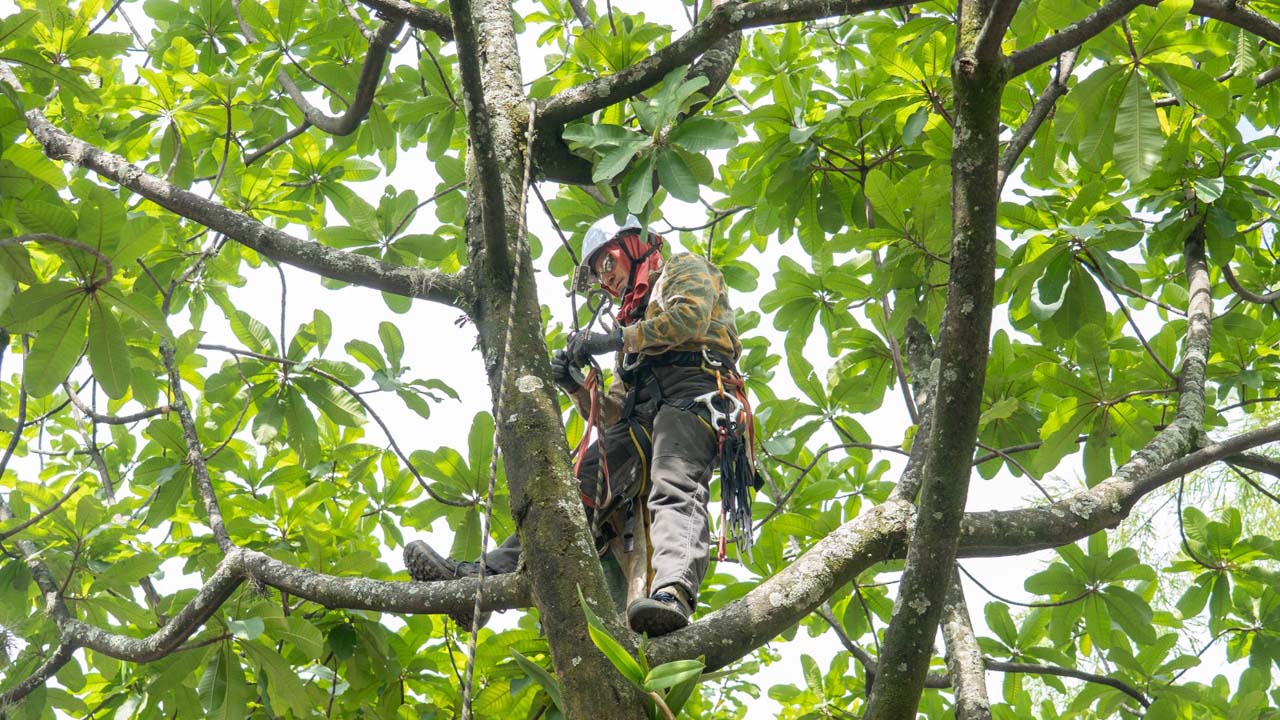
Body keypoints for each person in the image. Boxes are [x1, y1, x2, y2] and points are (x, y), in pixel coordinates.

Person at [405, 214, 742, 637]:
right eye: (599, 276)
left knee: (673, 482)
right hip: (645, 419)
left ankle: (672, 594)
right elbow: (612, 411)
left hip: (694, 397)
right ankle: (486, 577)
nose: (607, 281)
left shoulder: (682, 269)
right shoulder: (631, 325)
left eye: (607, 265)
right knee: (575, 483)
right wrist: (574, 385)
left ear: (634, 247)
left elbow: (687, 321)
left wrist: (615, 340)